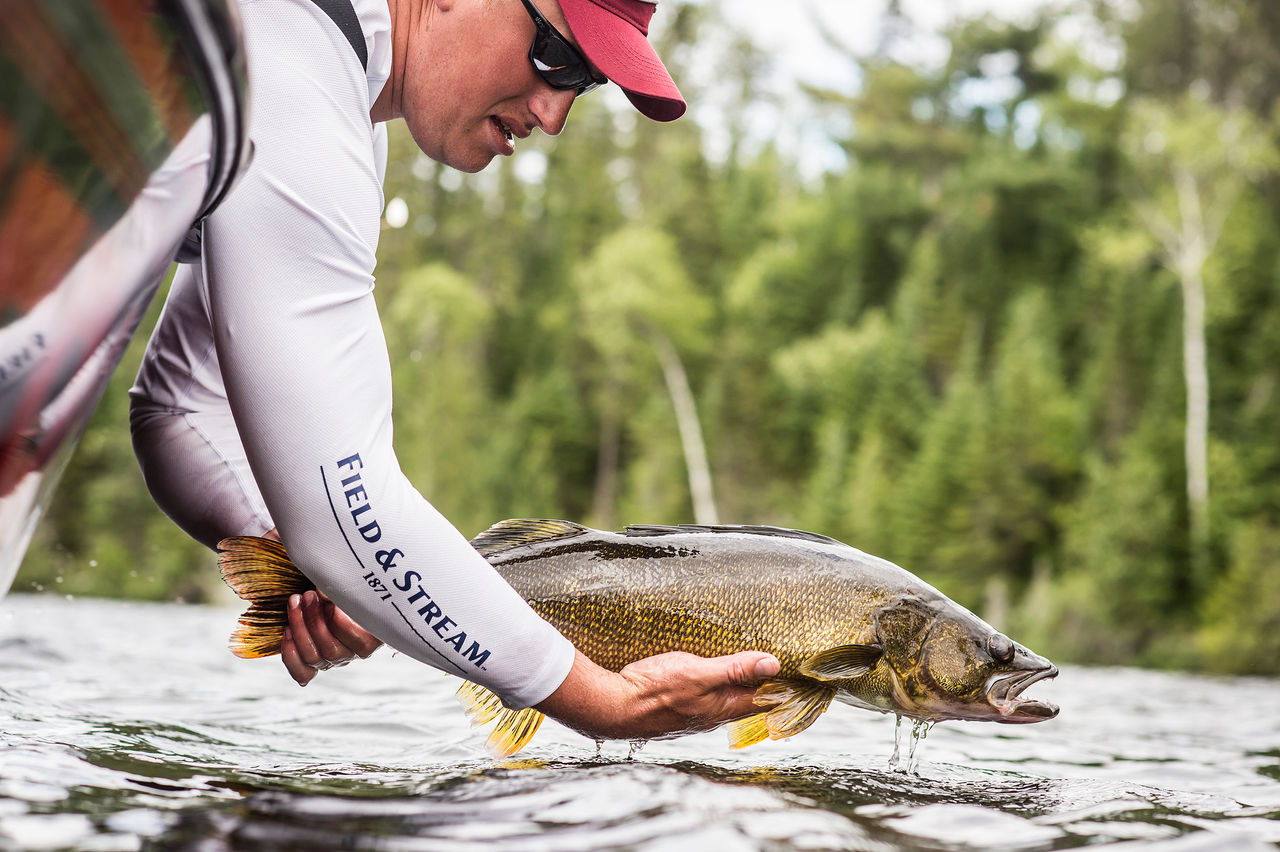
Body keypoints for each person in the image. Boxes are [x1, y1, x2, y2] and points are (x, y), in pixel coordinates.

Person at [128, 0, 780, 743]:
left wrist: (345, 574)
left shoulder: (338, 109)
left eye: (584, 83)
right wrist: (606, 702)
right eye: (556, 59)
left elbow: (176, 409)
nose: (556, 114)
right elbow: (345, 500)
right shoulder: (294, 55)